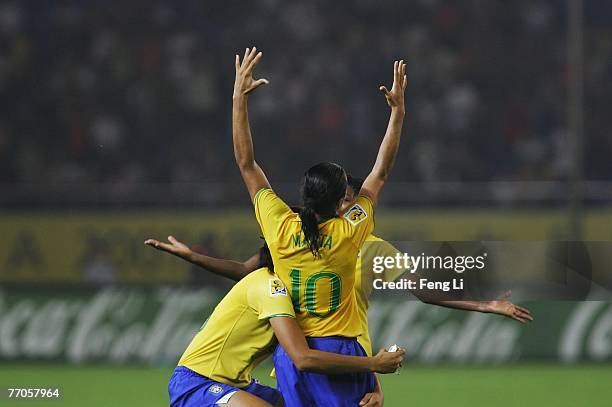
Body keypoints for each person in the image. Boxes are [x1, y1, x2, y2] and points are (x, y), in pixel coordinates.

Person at [147, 178, 533, 407]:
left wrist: (487, 303)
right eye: (344, 200)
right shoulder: (296, 252)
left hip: (336, 358)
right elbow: (250, 271)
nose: (349, 207)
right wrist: (194, 258)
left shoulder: (368, 249)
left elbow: (416, 292)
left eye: (352, 200)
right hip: (302, 359)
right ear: (330, 207)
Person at [231, 46, 407, 406]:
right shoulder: (349, 231)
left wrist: (238, 99)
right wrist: (398, 113)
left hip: (292, 356)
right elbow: (380, 172)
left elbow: (247, 164)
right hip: (340, 351)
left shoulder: (279, 225)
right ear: (337, 200)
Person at [152, 240, 405, 407]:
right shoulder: (270, 288)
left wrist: (375, 383)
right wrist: (373, 363)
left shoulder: (297, 294)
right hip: (197, 383)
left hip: (236, 383)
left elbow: (347, 338)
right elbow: (304, 358)